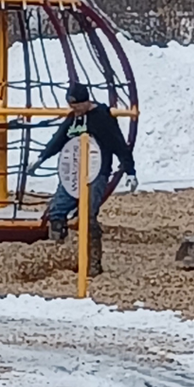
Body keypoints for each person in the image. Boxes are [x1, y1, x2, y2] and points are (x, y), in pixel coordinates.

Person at [31, 82, 138, 275]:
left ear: (86, 101)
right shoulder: (74, 118)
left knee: (88, 216)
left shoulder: (102, 118)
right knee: (57, 211)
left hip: (96, 173)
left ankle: (92, 263)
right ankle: (58, 257)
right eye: (71, 107)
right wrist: (41, 157)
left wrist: (130, 171)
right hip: (72, 171)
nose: (74, 110)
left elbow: (119, 145)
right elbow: (59, 139)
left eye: (77, 106)